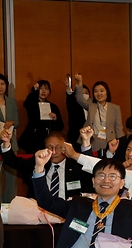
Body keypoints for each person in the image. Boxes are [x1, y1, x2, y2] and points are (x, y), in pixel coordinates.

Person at [1, 130, 91, 199]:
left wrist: (86, 142)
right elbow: (13, 162)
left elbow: (90, 169)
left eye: (58, 147)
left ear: (67, 148)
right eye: (50, 147)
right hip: (39, 211)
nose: (54, 152)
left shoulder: (76, 166)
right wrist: (6, 143)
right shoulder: (38, 163)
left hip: (69, 210)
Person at [72, 75, 123, 153]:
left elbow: (119, 127)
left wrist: (121, 143)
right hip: (93, 140)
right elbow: (79, 99)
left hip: (110, 141)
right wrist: (79, 82)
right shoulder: (91, 104)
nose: (99, 94)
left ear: (107, 92)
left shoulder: (115, 108)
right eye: (96, 91)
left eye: (102, 91)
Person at [20, 80, 64, 154]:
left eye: (46, 89)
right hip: (33, 139)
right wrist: (34, 90)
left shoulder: (53, 106)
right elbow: (27, 103)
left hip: (47, 138)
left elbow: (60, 127)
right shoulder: (32, 103)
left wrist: (55, 119)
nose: (43, 91)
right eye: (41, 88)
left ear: (49, 92)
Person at [0, 73, 19, 203]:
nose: (0, 87)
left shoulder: (12, 102)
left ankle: (9, 204)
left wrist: (12, 122)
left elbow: (17, 122)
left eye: (2, 84)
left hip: (11, 142)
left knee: (11, 176)